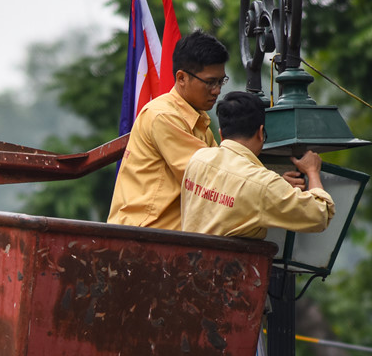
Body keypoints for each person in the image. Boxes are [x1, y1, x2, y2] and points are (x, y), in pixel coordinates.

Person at [108, 29, 230, 229]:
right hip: (143, 239)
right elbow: (209, 179)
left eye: (220, 81)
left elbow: (223, 174)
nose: (217, 90)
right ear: (181, 78)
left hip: (167, 241)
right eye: (210, 82)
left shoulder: (199, 122)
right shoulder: (164, 116)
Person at [180, 91, 334, 238]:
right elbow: (320, 214)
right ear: (261, 133)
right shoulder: (264, 185)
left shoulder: (198, 159)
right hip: (232, 264)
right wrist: (313, 171)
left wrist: (278, 185)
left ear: (221, 134)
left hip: (187, 262)